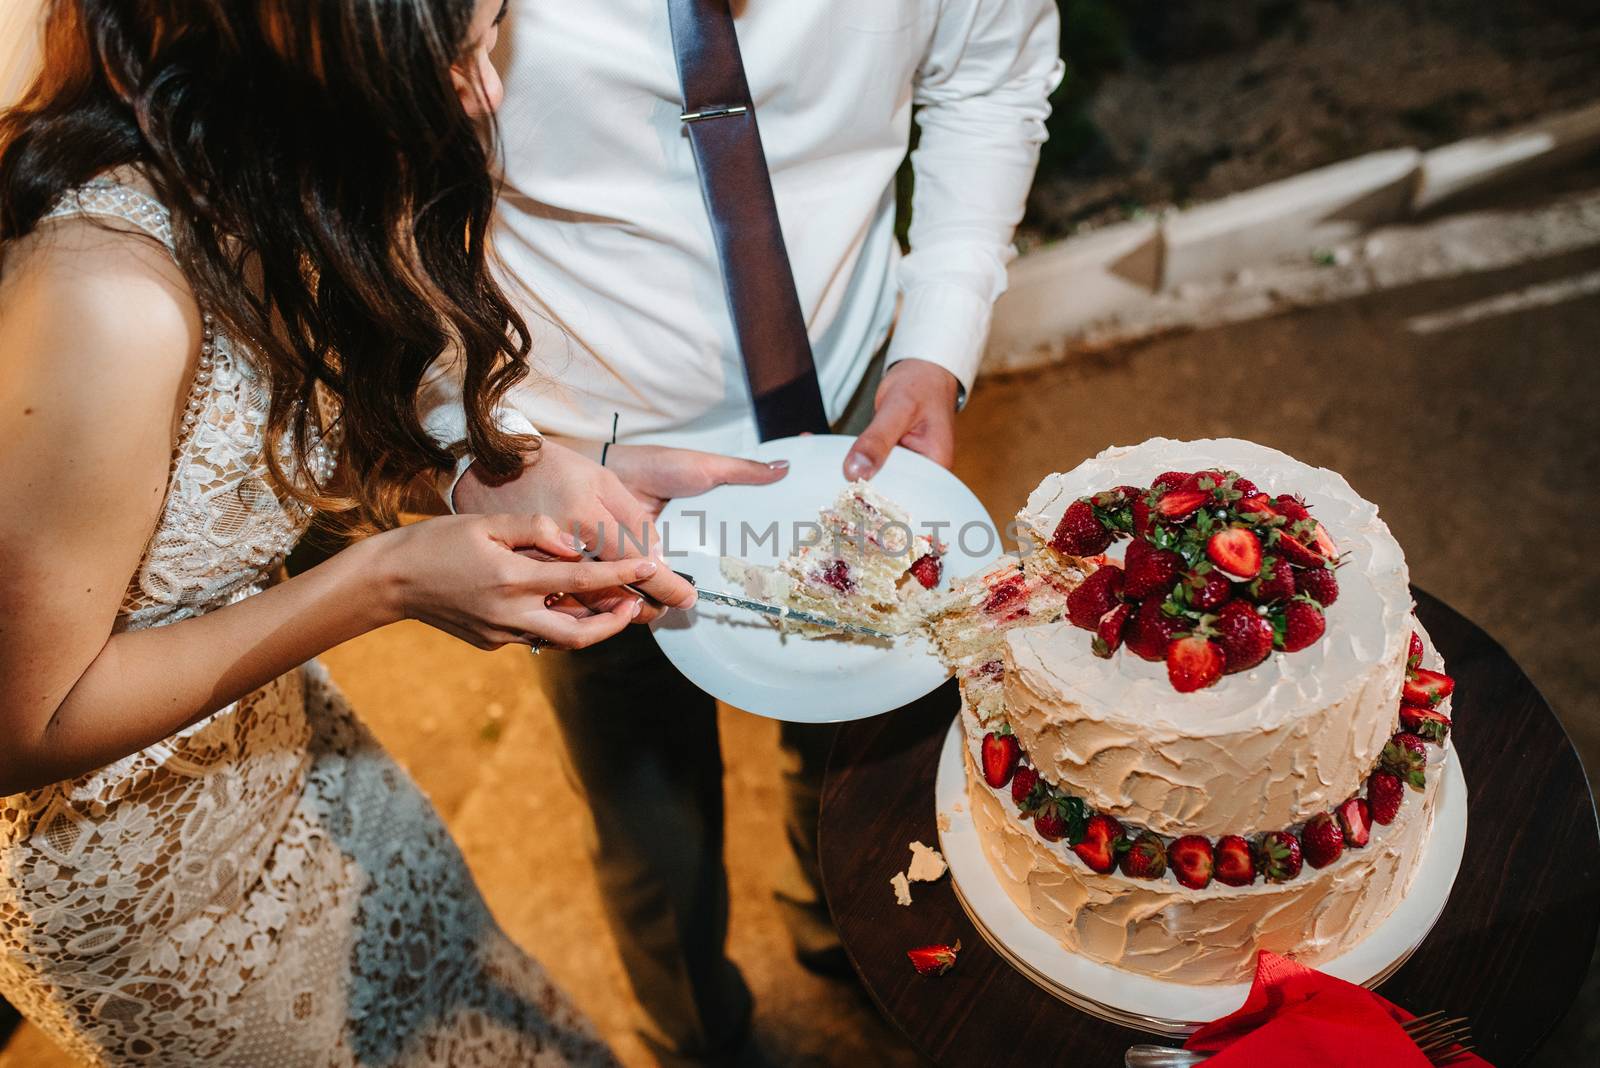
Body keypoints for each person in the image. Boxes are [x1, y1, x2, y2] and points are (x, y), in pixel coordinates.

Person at [0, 1, 655, 1063]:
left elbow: (249, 458)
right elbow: (20, 726)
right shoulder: (104, 298)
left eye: (488, 37)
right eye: (454, 53)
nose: (485, 91)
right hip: (141, 899)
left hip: (291, 755)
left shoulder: (258, 171)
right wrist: (383, 584)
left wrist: (481, 480)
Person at [423, 2, 1063, 1063]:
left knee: (862, 755)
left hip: (855, 401)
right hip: (579, 463)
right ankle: (693, 1038)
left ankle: (846, 944)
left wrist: (936, 337)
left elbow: (989, 79)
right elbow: (371, 216)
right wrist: (478, 454)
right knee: (648, 817)